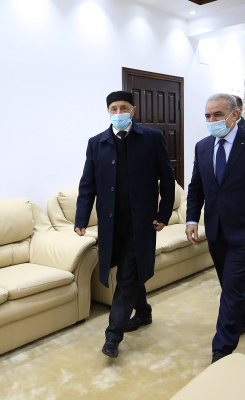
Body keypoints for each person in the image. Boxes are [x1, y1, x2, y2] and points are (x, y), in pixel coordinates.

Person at [75, 90, 175, 358]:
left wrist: (164, 213)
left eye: (123, 108)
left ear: (133, 111)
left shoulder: (152, 138)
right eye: (113, 108)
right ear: (108, 112)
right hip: (111, 224)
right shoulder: (97, 143)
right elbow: (87, 184)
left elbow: (167, 178)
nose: (118, 113)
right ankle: (143, 312)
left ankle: (113, 335)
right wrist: (81, 218)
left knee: (128, 275)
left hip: (140, 223)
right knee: (126, 270)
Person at [185, 93, 245, 364]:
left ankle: (223, 348)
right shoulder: (203, 146)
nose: (212, 120)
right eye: (208, 115)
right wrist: (192, 219)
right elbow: (196, 187)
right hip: (216, 228)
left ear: (235, 114)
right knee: (230, 283)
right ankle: (244, 318)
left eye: (218, 114)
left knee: (231, 286)